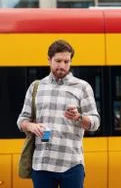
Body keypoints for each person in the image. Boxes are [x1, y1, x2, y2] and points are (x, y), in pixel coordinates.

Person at [17, 39, 100, 188]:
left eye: (66, 61)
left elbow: (95, 122)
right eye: (58, 61)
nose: (62, 65)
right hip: (42, 165)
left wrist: (79, 117)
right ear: (49, 60)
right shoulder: (36, 87)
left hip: (72, 164)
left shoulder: (82, 87)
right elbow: (22, 120)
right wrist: (30, 126)